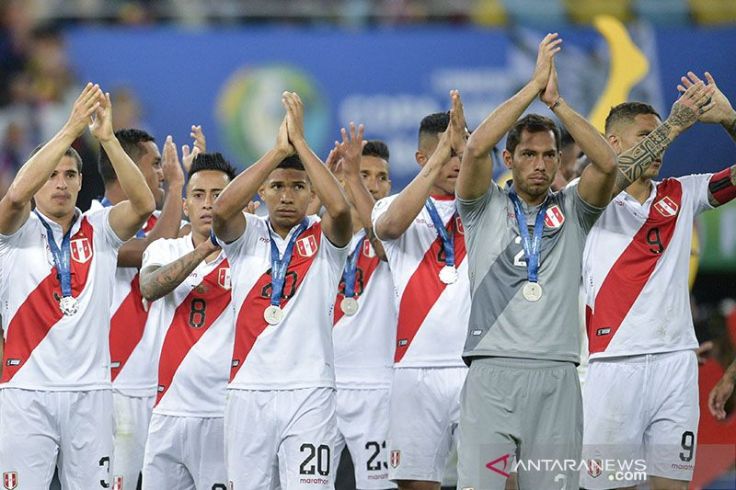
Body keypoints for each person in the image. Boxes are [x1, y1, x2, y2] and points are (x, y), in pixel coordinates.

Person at [454, 33, 621, 489]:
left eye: (549, 155)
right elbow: (473, 148)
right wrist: (532, 88)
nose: (540, 164)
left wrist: (559, 103)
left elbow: (606, 166)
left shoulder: (573, 210)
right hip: (491, 373)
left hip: (557, 374)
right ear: (509, 159)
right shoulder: (481, 207)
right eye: (528, 154)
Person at [0, 83, 155, 488]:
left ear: (81, 181)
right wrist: (70, 130)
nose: (62, 184)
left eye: (70, 175)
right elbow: (16, 195)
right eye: (51, 175)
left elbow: (142, 205)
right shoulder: (14, 232)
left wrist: (106, 139)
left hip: (91, 394)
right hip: (26, 392)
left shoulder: (99, 228)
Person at [580, 71, 728, 490]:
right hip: (613, 365)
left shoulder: (683, 193)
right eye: (646, 135)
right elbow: (606, 183)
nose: (659, 144)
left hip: (675, 366)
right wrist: (676, 125)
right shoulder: (588, 196)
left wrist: (730, 119)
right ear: (613, 143)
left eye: (659, 134)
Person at [212, 92, 351, 489]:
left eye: (297, 187)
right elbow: (222, 210)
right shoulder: (246, 236)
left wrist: (302, 144)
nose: (287, 195)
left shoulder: (326, 240)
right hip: (248, 391)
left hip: (311, 392)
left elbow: (340, 211)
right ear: (262, 193)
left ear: (312, 195)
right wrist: (276, 152)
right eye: (276, 186)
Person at [370, 92, 472, 490]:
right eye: (445, 154)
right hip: (414, 369)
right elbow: (390, 229)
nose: (456, 163)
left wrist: (463, 150)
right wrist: (439, 158)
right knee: (415, 483)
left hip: (476, 366)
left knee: (497, 479)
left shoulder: (487, 208)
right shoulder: (391, 207)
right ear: (421, 159)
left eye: (461, 152)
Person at [91, 129, 185, 490]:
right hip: (118, 389)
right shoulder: (93, 224)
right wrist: (177, 189)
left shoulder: (166, 222)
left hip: (167, 391)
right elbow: (154, 250)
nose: (163, 172)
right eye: (156, 164)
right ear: (127, 167)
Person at [138, 152, 237, 489]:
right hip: (167, 412)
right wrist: (204, 250)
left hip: (224, 415)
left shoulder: (249, 255)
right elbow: (149, 288)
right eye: (199, 195)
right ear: (185, 205)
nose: (208, 204)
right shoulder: (164, 249)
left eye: (218, 196)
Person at [325, 127, 397, 489]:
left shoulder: (398, 238)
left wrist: (349, 181)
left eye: (382, 177)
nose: (372, 184)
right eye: (362, 175)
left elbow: (384, 238)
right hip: (321, 387)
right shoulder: (316, 238)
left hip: (378, 386)